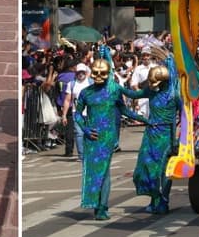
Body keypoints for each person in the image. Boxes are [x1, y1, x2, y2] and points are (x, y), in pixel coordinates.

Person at [73, 58, 147, 220]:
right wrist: (85, 129)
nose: (99, 76)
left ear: (108, 74)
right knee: (93, 172)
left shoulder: (114, 89)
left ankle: (102, 207)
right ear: (91, 73)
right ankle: (95, 204)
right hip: (91, 137)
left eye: (103, 73)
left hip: (107, 137)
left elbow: (126, 107)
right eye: (96, 73)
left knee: (104, 171)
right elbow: (77, 114)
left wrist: (144, 118)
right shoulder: (86, 92)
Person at [122, 64, 181, 214]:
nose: (153, 85)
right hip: (150, 136)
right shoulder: (151, 91)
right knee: (147, 169)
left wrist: (179, 138)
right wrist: (117, 87)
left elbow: (184, 117)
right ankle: (155, 199)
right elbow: (133, 94)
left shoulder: (175, 95)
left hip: (167, 137)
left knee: (164, 171)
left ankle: (163, 202)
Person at [62, 63, 94, 160]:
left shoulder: (91, 83)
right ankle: (82, 155)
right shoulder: (71, 84)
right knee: (79, 133)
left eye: (82, 72)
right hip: (77, 112)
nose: (80, 74)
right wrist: (64, 115)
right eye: (79, 72)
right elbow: (67, 100)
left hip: (90, 113)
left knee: (90, 133)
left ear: (86, 72)